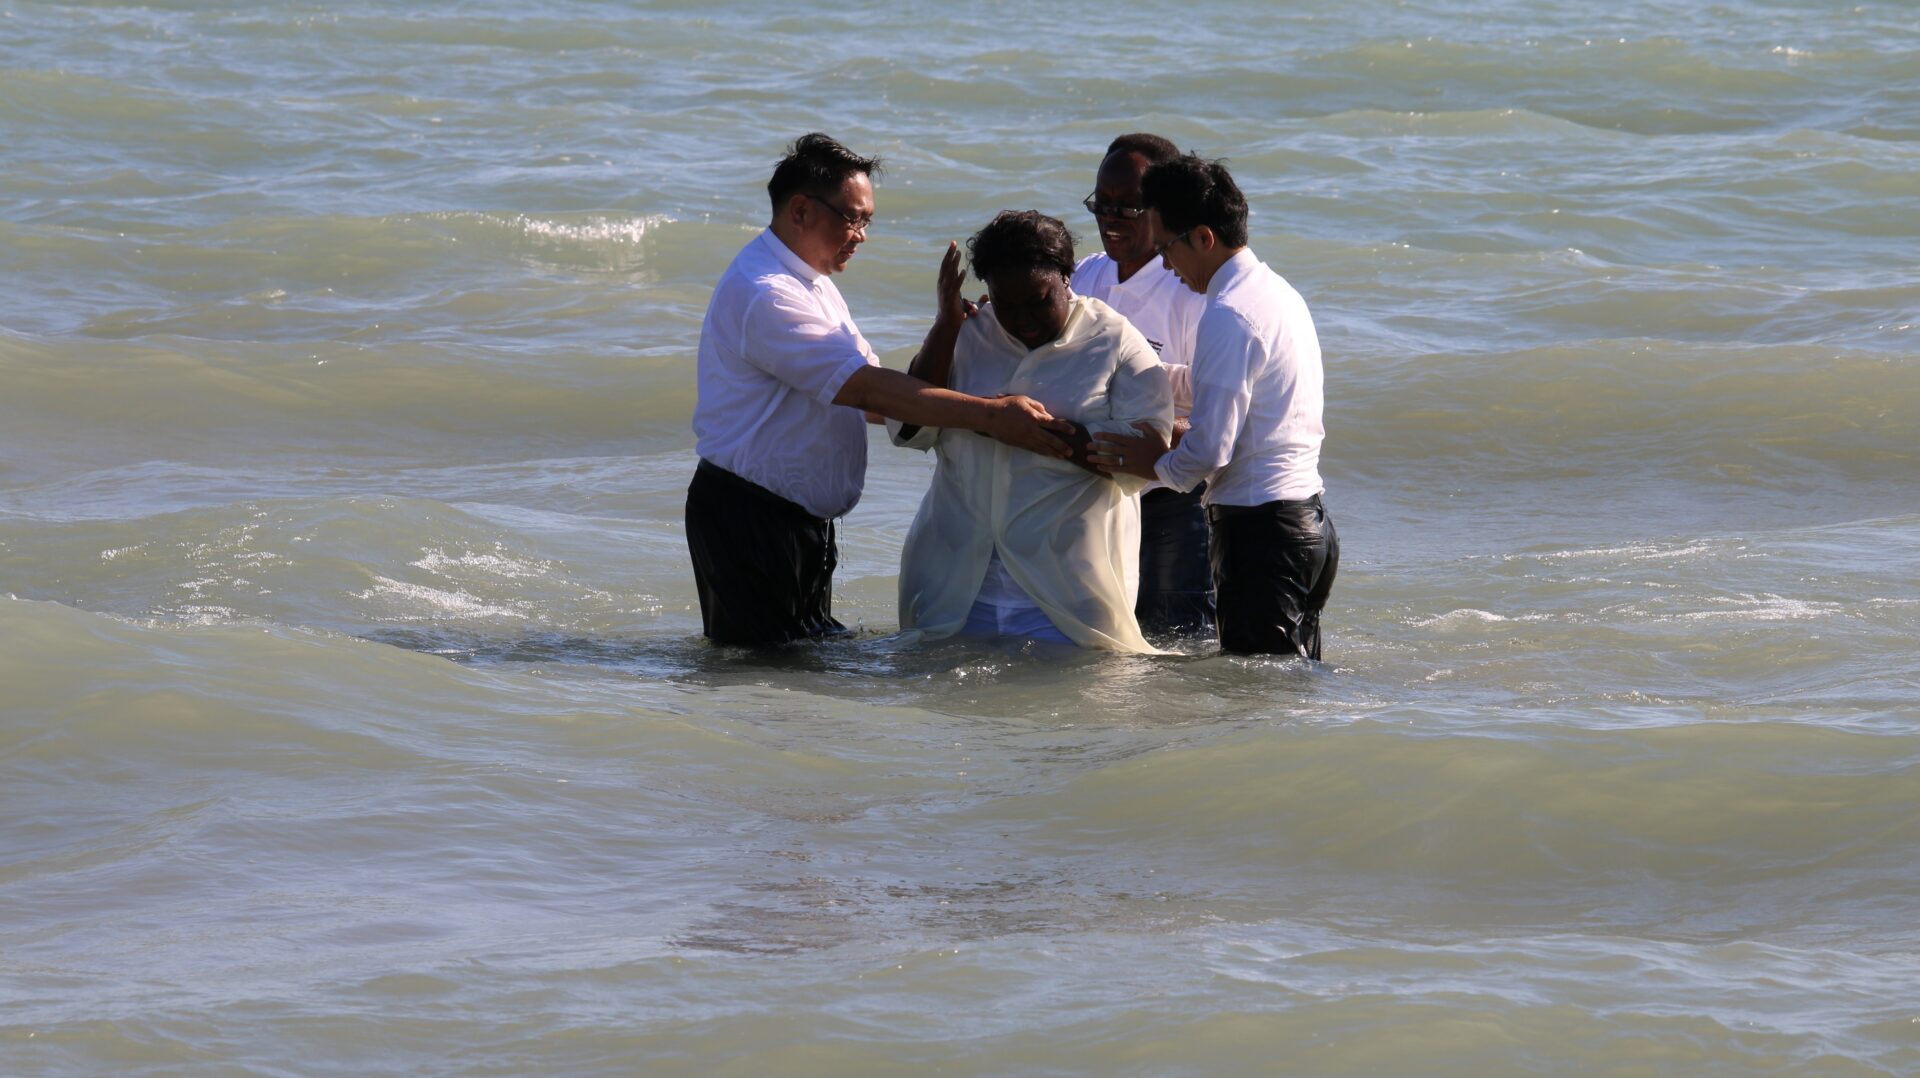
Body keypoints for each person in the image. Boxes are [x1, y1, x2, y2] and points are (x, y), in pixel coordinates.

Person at [687, 134, 1071, 647]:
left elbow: (883, 396)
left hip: (792, 522)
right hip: (750, 516)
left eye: (867, 220)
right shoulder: (767, 293)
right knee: (764, 683)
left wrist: (948, 326)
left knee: (798, 673)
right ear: (800, 210)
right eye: (853, 218)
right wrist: (993, 415)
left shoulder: (813, 281)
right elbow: (870, 392)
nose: (861, 235)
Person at [1087, 155, 1339, 659]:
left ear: (1203, 238)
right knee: (1287, 694)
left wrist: (1153, 465)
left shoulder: (1229, 314)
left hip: (1262, 533)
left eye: (1167, 249)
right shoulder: (1274, 291)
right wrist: (1139, 376)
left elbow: (1210, 449)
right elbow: (1224, 389)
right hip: (1306, 524)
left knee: (1257, 702)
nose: (1165, 265)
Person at [891, 210, 1172, 653]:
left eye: (1039, 302)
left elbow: (1149, 459)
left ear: (1067, 277)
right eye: (1007, 304)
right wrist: (946, 329)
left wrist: (1035, 433)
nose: (1023, 319)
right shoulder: (966, 332)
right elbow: (908, 427)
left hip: (1069, 599)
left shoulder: (1116, 341)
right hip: (955, 588)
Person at [1070, 133, 1213, 638]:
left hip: (1169, 497)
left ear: (1163, 209)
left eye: (1128, 207)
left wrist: (1151, 400)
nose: (1110, 219)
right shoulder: (1084, 275)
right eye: (1100, 205)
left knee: (1180, 644)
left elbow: (1220, 398)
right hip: (1092, 495)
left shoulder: (1191, 290)